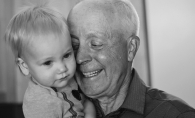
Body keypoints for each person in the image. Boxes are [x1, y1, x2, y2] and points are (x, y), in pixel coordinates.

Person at [67, 0, 195, 117]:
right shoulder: (60, 104)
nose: (80, 58)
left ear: (131, 48)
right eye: (74, 45)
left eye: (95, 44)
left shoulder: (177, 115)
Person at [5, 4, 95, 118]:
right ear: (25, 66)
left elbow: (86, 104)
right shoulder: (41, 104)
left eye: (66, 55)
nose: (62, 68)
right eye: (48, 62)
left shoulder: (69, 79)